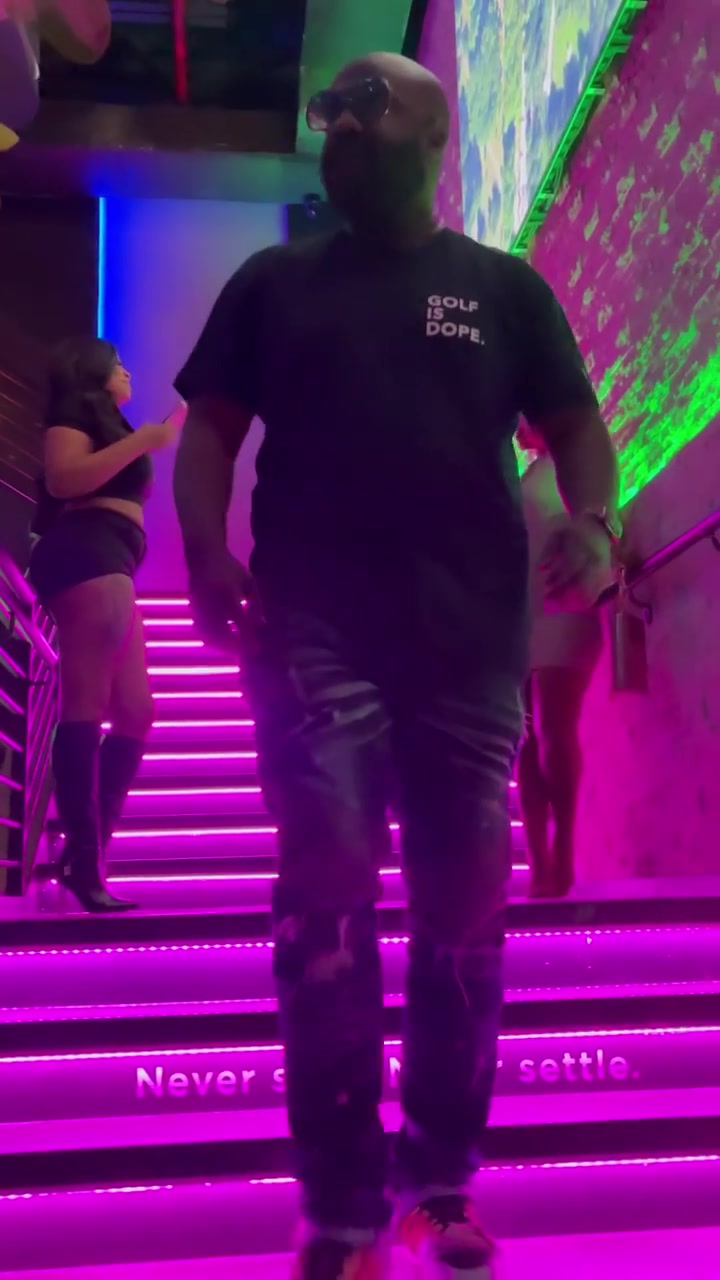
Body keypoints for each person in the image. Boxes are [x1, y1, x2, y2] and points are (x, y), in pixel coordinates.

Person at [172, 52, 618, 1280]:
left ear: (432, 136)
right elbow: (208, 433)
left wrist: (595, 520)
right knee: (325, 873)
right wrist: (204, 550)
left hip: (470, 643)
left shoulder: (504, 290)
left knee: (464, 904)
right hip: (312, 630)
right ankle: (340, 1201)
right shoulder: (273, 286)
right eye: (335, 120)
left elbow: (577, 425)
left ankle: (440, 1178)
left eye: (370, 114)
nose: (345, 133)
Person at [29, 336, 178, 913]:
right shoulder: (73, 411)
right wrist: (145, 441)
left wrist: (158, 431)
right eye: (118, 364)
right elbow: (64, 480)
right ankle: (85, 866)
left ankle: (85, 855)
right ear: (94, 371)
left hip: (114, 554)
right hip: (85, 549)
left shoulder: (114, 424)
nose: (127, 371)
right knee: (87, 702)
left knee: (137, 710)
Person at [516, 422, 618, 899]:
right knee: (530, 737)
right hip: (527, 611)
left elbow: (607, 526)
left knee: (553, 728)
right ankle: (541, 861)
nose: (519, 425)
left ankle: (565, 851)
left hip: (567, 603)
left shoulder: (581, 467)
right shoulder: (530, 472)